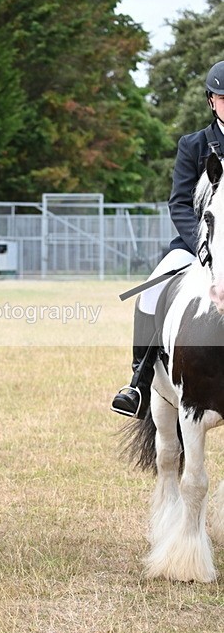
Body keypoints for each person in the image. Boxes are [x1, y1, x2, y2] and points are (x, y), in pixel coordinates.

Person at [111, 60, 224, 418]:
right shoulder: (194, 145)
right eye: (223, 98)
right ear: (211, 101)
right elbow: (179, 202)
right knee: (151, 290)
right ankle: (139, 381)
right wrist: (203, 247)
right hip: (196, 248)